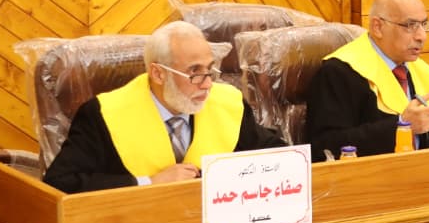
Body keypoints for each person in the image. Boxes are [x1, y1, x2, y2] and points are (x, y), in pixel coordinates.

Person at [44, 21, 285, 194]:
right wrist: (148, 183)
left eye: (210, 69)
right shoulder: (103, 114)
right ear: (158, 74)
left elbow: (278, 155)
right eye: (194, 72)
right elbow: (61, 182)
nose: (208, 84)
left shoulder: (227, 103)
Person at [305, 0, 429, 159]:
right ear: (378, 27)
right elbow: (325, 146)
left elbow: (418, 135)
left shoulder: (415, 70)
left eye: (424, 25)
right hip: (371, 174)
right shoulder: (339, 72)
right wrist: (401, 127)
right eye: (410, 26)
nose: (422, 36)